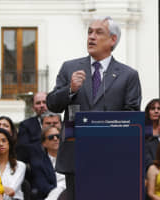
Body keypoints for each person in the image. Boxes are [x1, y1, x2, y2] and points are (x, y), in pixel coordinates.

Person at [46, 16, 142, 200]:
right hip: (75, 156)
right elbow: (52, 104)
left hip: (110, 157)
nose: (91, 37)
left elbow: (131, 117)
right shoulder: (70, 68)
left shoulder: (128, 75)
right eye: (89, 31)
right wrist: (70, 89)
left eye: (98, 32)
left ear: (113, 40)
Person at [22, 125, 64, 200]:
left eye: (58, 136)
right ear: (44, 143)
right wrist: (61, 190)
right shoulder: (38, 163)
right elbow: (43, 187)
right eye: (51, 137)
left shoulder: (71, 159)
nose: (55, 139)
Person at [0, 128, 26, 200]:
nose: (1, 144)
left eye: (4, 140)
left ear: (9, 143)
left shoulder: (20, 166)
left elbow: (11, 190)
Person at [17, 92, 47, 160]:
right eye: (38, 103)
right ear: (33, 107)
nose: (42, 105)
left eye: (44, 102)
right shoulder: (25, 125)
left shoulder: (58, 122)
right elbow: (22, 149)